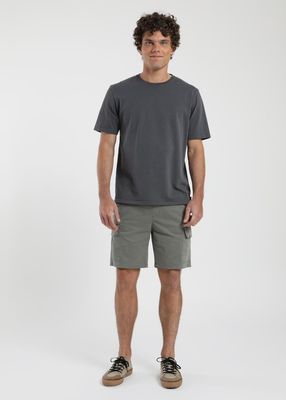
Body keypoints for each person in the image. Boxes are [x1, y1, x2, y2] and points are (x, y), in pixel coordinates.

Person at [93, 11, 211, 389]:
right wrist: (105, 196)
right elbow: (107, 146)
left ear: (173, 48)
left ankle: (169, 356)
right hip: (128, 203)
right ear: (140, 47)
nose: (156, 48)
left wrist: (198, 197)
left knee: (171, 279)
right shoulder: (119, 92)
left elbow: (195, 150)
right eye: (149, 42)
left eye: (163, 42)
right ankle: (124, 356)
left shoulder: (189, 95)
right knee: (125, 279)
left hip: (174, 203)